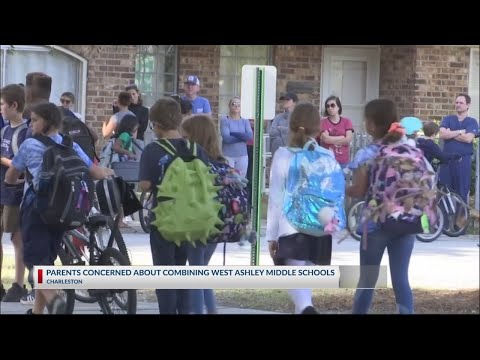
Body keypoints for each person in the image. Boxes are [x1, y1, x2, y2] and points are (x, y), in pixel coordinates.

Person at [5, 102, 114, 314]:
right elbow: (93, 171)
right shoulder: (69, 144)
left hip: (36, 209)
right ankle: (37, 311)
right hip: (63, 209)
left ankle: (55, 300)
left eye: (35, 120)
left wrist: (10, 182)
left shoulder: (29, 144)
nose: (31, 124)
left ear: (46, 122)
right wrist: (108, 172)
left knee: (35, 261)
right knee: (46, 261)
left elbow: (11, 174)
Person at [139, 97, 210, 314]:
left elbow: (145, 185)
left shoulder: (152, 150)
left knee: (165, 275)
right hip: (192, 220)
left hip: (164, 221)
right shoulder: (197, 149)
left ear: (157, 125)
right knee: (182, 273)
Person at [347, 99, 416, 314]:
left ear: (371, 125)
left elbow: (358, 190)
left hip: (375, 225)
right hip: (405, 222)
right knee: (401, 279)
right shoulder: (409, 149)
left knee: (367, 279)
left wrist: (341, 188)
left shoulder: (367, 154)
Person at [267, 102, 336, 315]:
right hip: (319, 227)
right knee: (303, 284)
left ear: (292, 126)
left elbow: (276, 197)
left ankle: (308, 309)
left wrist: (271, 235)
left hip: (291, 228)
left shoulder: (282, 154)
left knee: (298, 288)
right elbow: (333, 194)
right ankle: (306, 308)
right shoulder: (327, 156)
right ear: (319, 128)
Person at [180, 114, 225, 314]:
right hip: (218, 224)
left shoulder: (193, 164)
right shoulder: (221, 162)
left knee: (196, 274)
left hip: (197, 224)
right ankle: (212, 310)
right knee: (201, 270)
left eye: (184, 136)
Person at [0, 84, 29, 302]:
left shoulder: (26, 132)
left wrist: (8, 162)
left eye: (2, 104)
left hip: (16, 194)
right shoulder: (4, 130)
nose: (0, 108)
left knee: (17, 239)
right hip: (2, 190)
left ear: (14, 105)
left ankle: (19, 284)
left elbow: (24, 163)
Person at [438, 93, 479, 204]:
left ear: (468, 105)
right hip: (447, 162)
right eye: (456, 102)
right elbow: (442, 135)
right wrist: (460, 131)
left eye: (461, 103)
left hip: (463, 162)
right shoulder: (448, 119)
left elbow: (468, 139)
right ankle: (446, 220)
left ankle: (460, 220)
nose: (458, 105)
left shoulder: (472, 122)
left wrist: (450, 133)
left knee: (462, 192)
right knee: (444, 192)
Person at [219, 97, 253, 177]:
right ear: (229, 106)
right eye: (233, 104)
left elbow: (249, 136)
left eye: (239, 105)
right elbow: (227, 138)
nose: (236, 106)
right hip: (228, 155)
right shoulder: (225, 120)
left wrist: (234, 134)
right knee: (229, 178)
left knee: (241, 179)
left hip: (242, 155)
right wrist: (242, 136)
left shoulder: (245, 120)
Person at [317, 96, 354, 167]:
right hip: (327, 160)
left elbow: (348, 139)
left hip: (343, 160)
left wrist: (331, 139)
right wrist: (342, 137)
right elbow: (326, 139)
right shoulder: (323, 122)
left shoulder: (347, 121)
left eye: (332, 105)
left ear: (338, 107)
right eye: (327, 106)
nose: (330, 108)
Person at [269, 92, 298, 156]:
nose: (285, 101)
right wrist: (287, 130)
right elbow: (271, 132)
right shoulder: (278, 117)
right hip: (278, 153)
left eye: (287, 100)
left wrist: (280, 128)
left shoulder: (299, 117)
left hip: (293, 153)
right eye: (284, 100)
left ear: (294, 102)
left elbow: (295, 133)